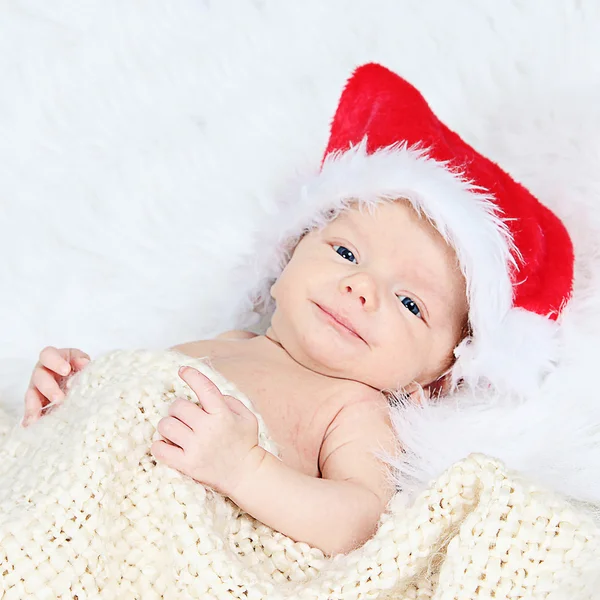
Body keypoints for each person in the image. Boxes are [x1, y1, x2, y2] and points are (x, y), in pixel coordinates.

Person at [19, 63, 574, 557]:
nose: (361, 288)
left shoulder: (353, 409)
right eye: (347, 252)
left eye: (410, 302)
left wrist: (245, 469)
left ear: (436, 377)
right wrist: (73, 398)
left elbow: (355, 520)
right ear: (286, 260)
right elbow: (127, 426)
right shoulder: (229, 342)